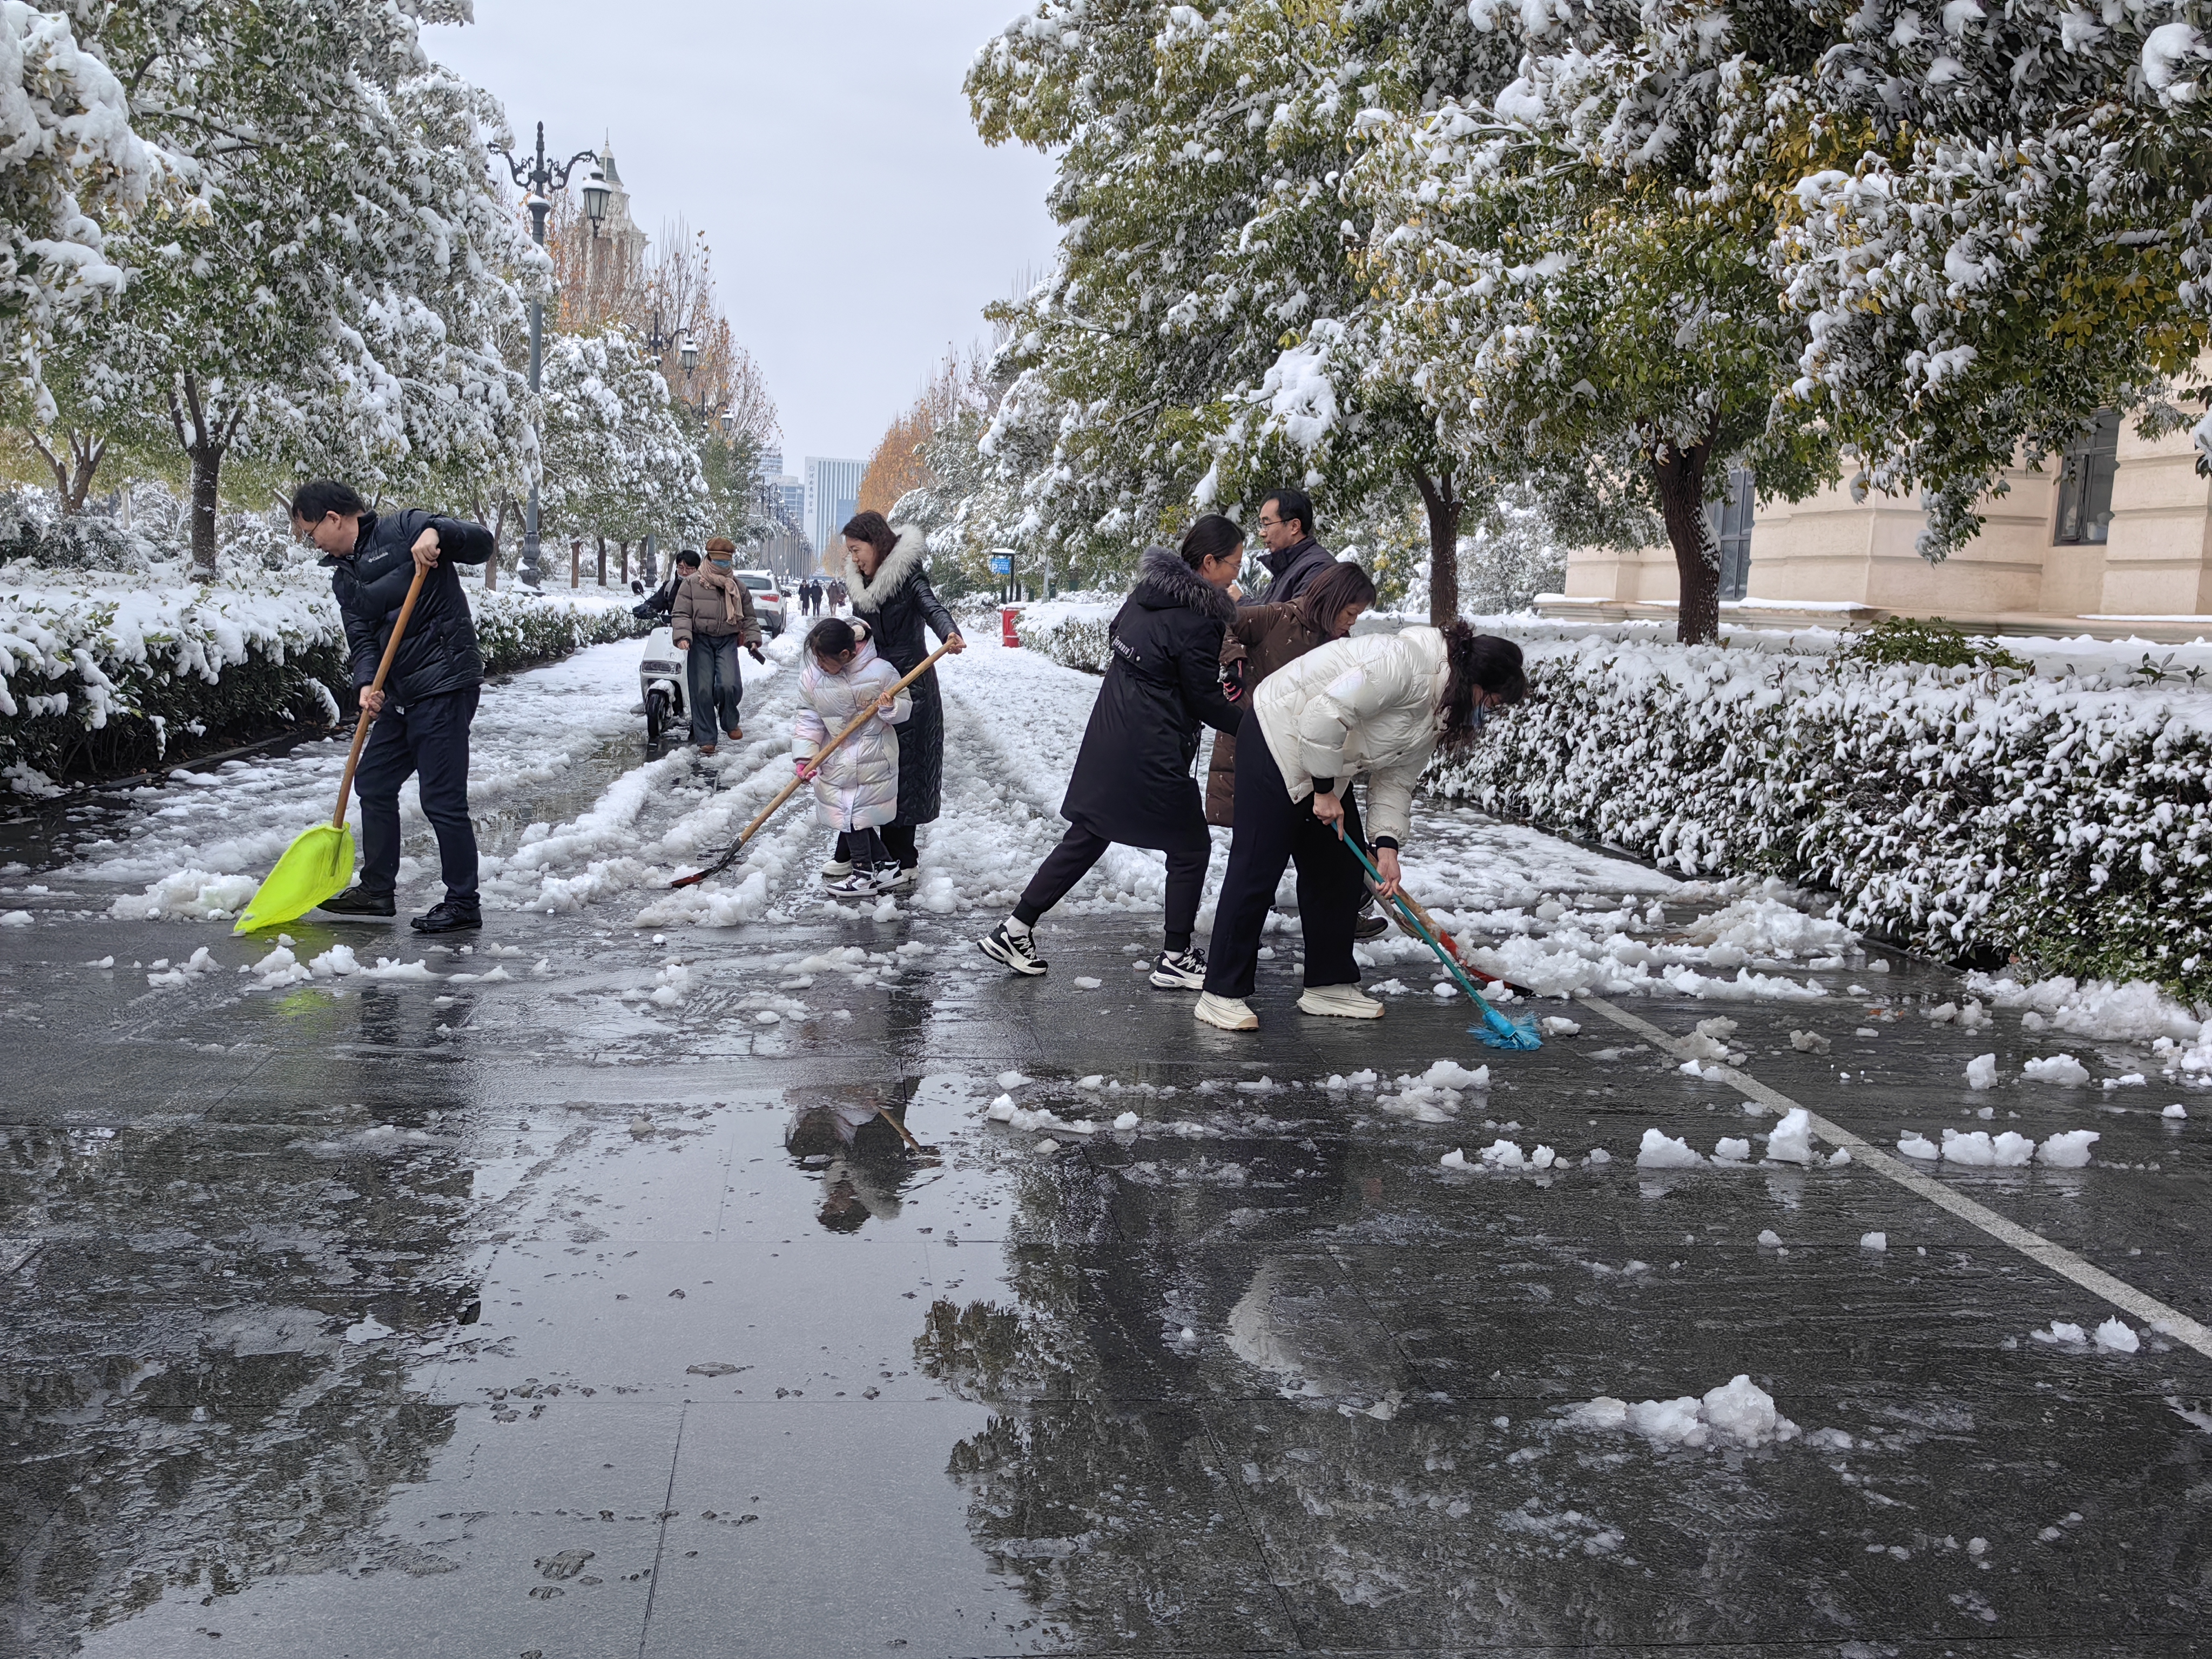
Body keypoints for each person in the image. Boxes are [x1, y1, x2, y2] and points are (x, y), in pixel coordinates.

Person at [1195, 625, 1529, 1031]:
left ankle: (1328, 984)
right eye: (1490, 701)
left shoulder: (1440, 707)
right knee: (1257, 867)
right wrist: (1323, 791)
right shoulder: (1399, 664)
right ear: (1475, 680)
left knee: (1338, 869)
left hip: (1324, 758)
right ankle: (1221, 992)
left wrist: (1387, 846)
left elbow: (1397, 779)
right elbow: (1324, 713)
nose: (1486, 712)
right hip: (1277, 736)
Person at [979, 516, 1245, 986]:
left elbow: (1120, 637)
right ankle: (1176, 957)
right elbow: (1204, 699)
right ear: (1209, 563)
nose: (1236, 575)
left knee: (1089, 834)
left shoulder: (1147, 593)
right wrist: (1255, 727)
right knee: (1190, 848)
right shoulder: (1201, 619)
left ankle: (1015, 929)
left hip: (1110, 731)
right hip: (1153, 746)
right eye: (1234, 565)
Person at [290, 478, 495, 934]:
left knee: (441, 798)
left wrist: (438, 533)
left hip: (444, 683)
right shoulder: (344, 577)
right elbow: (362, 639)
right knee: (374, 781)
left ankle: (463, 902)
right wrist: (367, 684)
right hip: (400, 695)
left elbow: (482, 544)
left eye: (311, 532)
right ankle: (377, 890)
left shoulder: (405, 528)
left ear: (333, 518)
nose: (312, 543)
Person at [1206, 561, 1391, 941]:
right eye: (1350, 612)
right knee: (1257, 865)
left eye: (1358, 616)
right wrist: (1235, 663)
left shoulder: (1340, 646)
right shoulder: (1278, 618)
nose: (1352, 623)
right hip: (1261, 754)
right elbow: (1221, 621)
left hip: (1312, 766)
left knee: (1333, 858)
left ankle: (1339, 923)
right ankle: (1234, 950)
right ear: (1333, 600)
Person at [837, 512, 965, 892]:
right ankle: (855, 850)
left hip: (912, 684)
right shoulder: (859, 582)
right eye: (850, 552)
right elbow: (862, 627)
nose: (854, 558)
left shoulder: (908, 575)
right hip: (873, 683)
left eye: (857, 550)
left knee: (905, 773)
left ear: (876, 543)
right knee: (867, 767)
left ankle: (903, 858)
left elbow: (932, 607)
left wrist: (949, 633)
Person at [793, 616, 911, 898]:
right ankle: (887, 867)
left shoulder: (880, 672)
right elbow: (808, 718)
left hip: (873, 757)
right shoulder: (813, 678)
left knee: (854, 816)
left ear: (846, 654)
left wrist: (890, 707)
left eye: (824, 660)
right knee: (850, 815)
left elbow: (905, 708)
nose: (820, 665)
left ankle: (863, 875)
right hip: (835, 757)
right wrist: (805, 757)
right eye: (816, 659)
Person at [671, 536, 765, 756]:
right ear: (710, 558)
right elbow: (681, 613)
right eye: (718, 560)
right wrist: (683, 636)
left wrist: (753, 639)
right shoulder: (692, 583)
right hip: (700, 640)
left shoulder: (737, 587)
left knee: (729, 685)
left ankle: (729, 721)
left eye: (726, 561)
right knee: (702, 689)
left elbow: (749, 618)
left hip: (727, 640)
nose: (722, 565)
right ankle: (706, 739)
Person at [1241, 487, 1334, 607]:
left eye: (1267, 524)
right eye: (1261, 525)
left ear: (1294, 526)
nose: (1261, 533)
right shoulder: (1287, 565)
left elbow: (1294, 617)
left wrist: (1242, 602)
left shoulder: (1318, 567)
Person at [632, 552, 689, 621]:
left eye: (689, 568)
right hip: (673, 627)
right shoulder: (669, 588)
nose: (685, 572)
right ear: (677, 568)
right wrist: (646, 608)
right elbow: (655, 603)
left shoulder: (701, 590)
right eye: (681, 568)